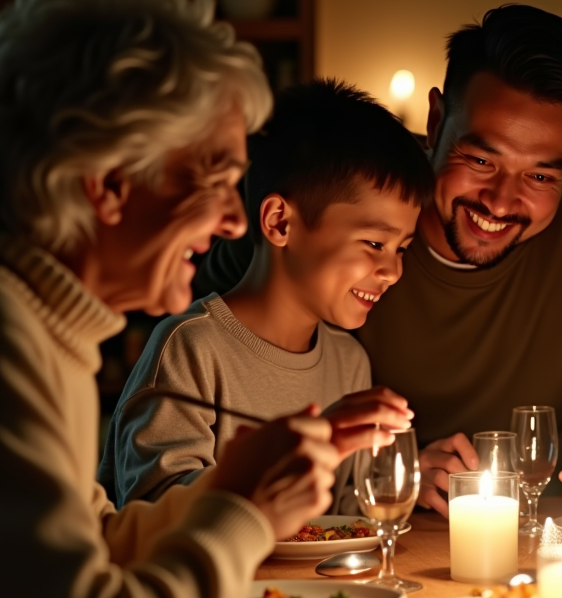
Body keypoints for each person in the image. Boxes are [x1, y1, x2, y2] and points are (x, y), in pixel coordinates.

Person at [0, 0, 393, 598]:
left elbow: (93, 544)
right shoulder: (12, 344)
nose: (230, 218)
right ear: (108, 183)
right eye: (214, 178)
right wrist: (244, 515)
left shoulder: (52, 327)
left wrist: (227, 485)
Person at [195, 5, 562, 514]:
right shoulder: (332, 190)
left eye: (540, 176)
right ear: (434, 121)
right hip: (346, 530)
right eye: (481, 159)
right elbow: (222, 329)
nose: (498, 201)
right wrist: (394, 473)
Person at [100, 79, 431, 511]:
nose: (392, 270)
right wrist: (302, 452)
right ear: (279, 222)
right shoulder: (191, 348)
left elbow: (346, 513)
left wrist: (406, 485)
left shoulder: (350, 362)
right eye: (373, 244)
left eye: (401, 249)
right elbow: (158, 510)